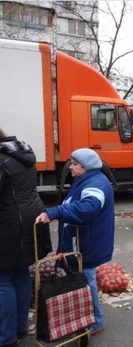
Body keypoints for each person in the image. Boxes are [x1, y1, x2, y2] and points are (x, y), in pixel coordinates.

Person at [36, 149, 114, 336]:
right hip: (81, 241)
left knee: (86, 281)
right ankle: (90, 318)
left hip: (85, 244)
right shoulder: (85, 180)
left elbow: (88, 208)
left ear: (85, 167)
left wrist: (55, 212)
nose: (70, 167)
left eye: (74, 164)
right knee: (85, 280)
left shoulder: (95, 183)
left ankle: (95, 322)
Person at [0, 129, 52, 347]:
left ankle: (6, 338)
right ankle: (20, 328)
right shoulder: (23, 153)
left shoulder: (2, 161)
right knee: (21, 273)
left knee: (3, 280)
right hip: (31, 218)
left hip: (10, 223)